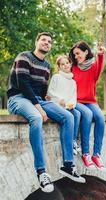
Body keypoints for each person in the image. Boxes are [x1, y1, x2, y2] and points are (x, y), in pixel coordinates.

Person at [7, 32, 85, 193]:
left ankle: (68, 165)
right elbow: (23, 84)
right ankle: (41, 172)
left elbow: (42, 90)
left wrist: (46, 99)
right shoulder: (24, 57)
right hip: (18, 98)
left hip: (37, 99)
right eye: (43, 40)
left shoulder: (47, 66)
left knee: (68, 116)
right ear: (37, 41)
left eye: (49, 41)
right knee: (36, 118)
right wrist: (39, 107)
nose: (46, 43)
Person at [69, 41, 106, 170]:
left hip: (90, 101)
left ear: (85, 52)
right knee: (88, 114)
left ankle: (96, 154)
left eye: (78, 53)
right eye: (74, 54)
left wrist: (100, 55)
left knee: (101, 118)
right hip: (76, 101)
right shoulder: (72, 68)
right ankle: (85, 153)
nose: (75, 56)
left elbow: (100, 65)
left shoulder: (93, 67)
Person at [47, 55, 81, 155]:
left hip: (68, 106)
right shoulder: (56, 77)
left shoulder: (73, 82)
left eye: (67, 63)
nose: (65, 65)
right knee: (69, 117)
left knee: (77, 114)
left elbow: (73, 96)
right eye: (62, 64)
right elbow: (50, 92)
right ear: (59, 67)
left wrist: (71, 104)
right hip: (57, 105)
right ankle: (70, 144)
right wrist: (59, 99)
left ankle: (73, 140)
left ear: (70, 64)